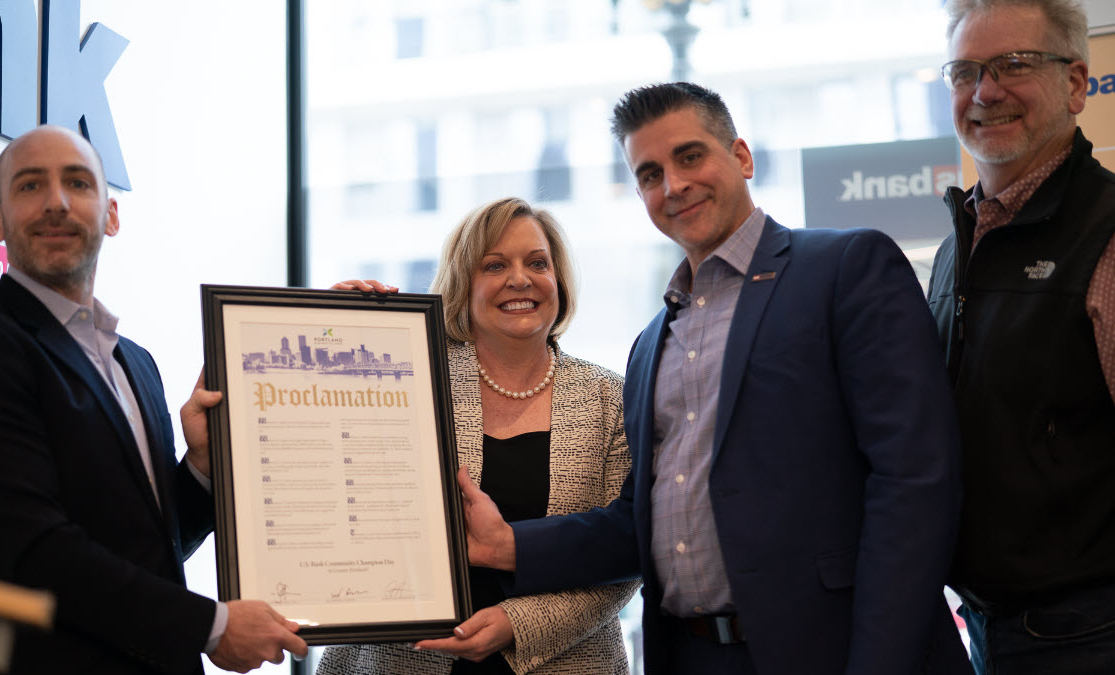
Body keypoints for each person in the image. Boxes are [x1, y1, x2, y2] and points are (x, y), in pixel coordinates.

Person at [458, 83, 972, 675]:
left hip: (835, 651)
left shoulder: (846, 268)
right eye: (650, 174)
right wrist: (509, 547)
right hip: (693, 654)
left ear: (742, 157)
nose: (673, 185)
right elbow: (638, 523)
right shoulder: (651, 344)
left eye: (690, 156)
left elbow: (914, 480)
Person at [0, 125, 308, 675]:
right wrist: (211, 625)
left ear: (111, 215)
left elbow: (147, 548)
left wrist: (199, 468)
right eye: (30, 186)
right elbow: (33, 553)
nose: (56, 202)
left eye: (77, 183)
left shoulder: (136, 363)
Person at [315, 197, 639, 674]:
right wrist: (330, 330)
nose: (519, 278)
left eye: (537, 263)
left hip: (566, 661)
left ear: (559, 282)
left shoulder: (611, 398)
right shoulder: (405, 380)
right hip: (399, 661)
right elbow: (333, 479)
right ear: (462, 286)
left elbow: (625, 553)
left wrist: (519, 624)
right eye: (494, 265)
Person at [926, 1, 1115, 672]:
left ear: (1075, 84)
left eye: (1013, 64)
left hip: (1086, 629)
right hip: (986, 620)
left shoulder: (1107, 232)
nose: (985, 92)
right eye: (966, 71)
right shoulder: (964, 240)